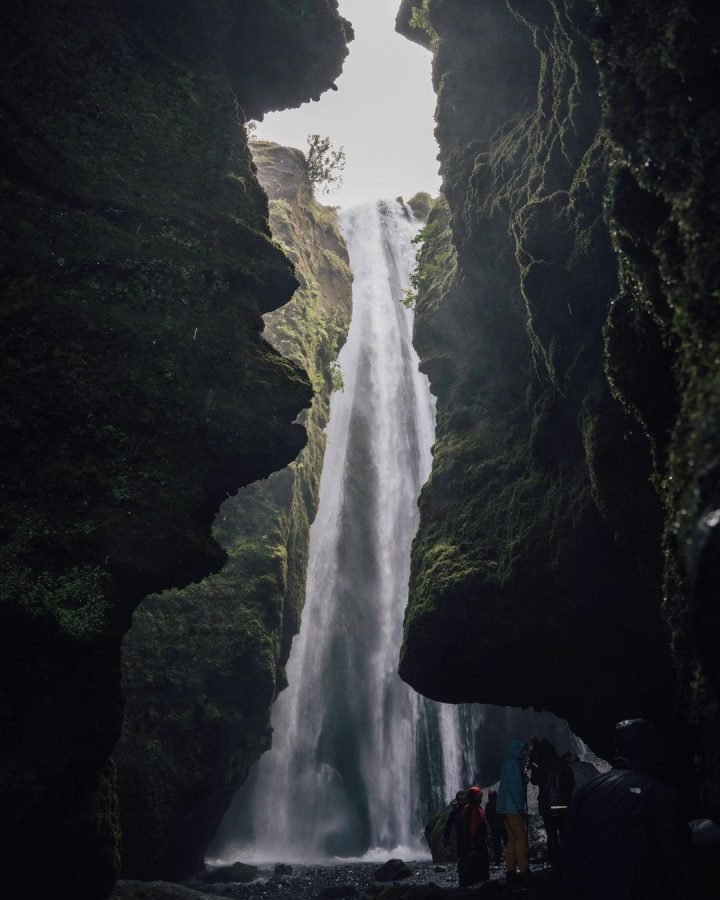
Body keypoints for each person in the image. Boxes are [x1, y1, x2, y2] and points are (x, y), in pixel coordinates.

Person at [558, 719, 699, 899]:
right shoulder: (658, 794)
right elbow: (676, 862)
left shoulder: (586, 791)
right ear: (651, 750)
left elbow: (568, 854)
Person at [528, 738, 574, 866]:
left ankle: (554, 863)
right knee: (564, 834)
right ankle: (568, 861)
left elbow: (534, 780)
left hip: (548, 805)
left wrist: (532, 765)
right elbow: (570, 780)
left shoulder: (539, 763)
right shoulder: (562, 761)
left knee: (551, 835)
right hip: (564, 804)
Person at [497, 738, 531, 887]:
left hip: (504, 807)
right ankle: (524, 871)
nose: (525, 754)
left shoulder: (509, 762)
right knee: (521, 837)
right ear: (518, 749)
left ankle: (510, 871)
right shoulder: (512, 764)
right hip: (512, 807)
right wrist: (519, 806)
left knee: (512, 839)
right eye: (524, 751)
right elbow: (515, 787)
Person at [461, 785, 491, 887]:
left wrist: (488, 838)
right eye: (478, 796)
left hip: (481, 841)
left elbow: (483, 824)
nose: (480, 798)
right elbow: (468, 828)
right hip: (474, 842)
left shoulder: (479, 808)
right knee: (474, 864)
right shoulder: (469, 809)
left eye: (480, 796)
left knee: (483, 863)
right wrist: (470, 843)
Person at [443, 789, 469, 886]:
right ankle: (462, 885)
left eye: (464, 800)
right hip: (461, 842)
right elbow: (447, 829)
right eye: (461, 800)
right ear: (457, 801)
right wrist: (446, 844)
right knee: (462, 863)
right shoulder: (454, 812)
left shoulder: (470, 809)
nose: (463, 802)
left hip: (471, 841)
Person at [485, 787, 507, 867]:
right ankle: (511, 860)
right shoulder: (499, 803)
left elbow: (487, 817)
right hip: (502, 826)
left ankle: (497, 862)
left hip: (494, 828)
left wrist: (490, 825)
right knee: (506, 843)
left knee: (497, 846)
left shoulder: (487, 805)